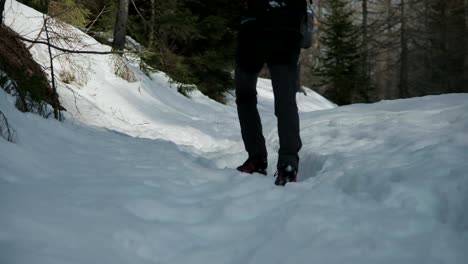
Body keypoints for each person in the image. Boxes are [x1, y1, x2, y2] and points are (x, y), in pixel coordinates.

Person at [235, 0, 307, 186]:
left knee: (284, 99)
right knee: (245, 94)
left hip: (285, 29)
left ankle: (288, 164)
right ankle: (257, 158)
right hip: (252, 28)